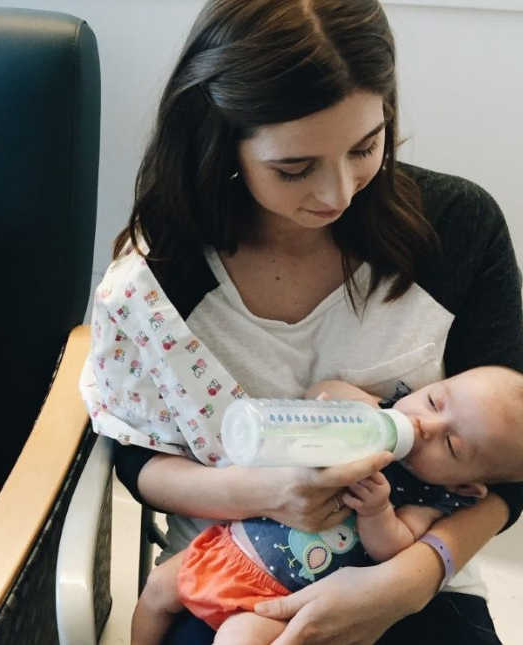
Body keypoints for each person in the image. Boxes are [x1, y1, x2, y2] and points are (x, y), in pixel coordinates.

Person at [79, 1, 523, 643]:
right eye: (295, 169)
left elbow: (512, 461)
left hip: (417, 575)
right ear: (221, 140)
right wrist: (265, 496)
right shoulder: (159, 281)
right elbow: (137, 458)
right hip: (234, 569)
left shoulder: (459, 231)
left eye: (366, 147)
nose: (339, 193)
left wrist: (412, 579)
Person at [131, 366, 523, 644]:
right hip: (230, 546)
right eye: (435, 401)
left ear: (467, 486)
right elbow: (324, 386)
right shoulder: (383, 411)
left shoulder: (430, 497)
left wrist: (377, 511)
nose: (425, 426)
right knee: (158, 589)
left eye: (451, 446)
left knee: (239, 638)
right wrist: (341, 412)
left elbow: (396, 547)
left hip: (279, 598)